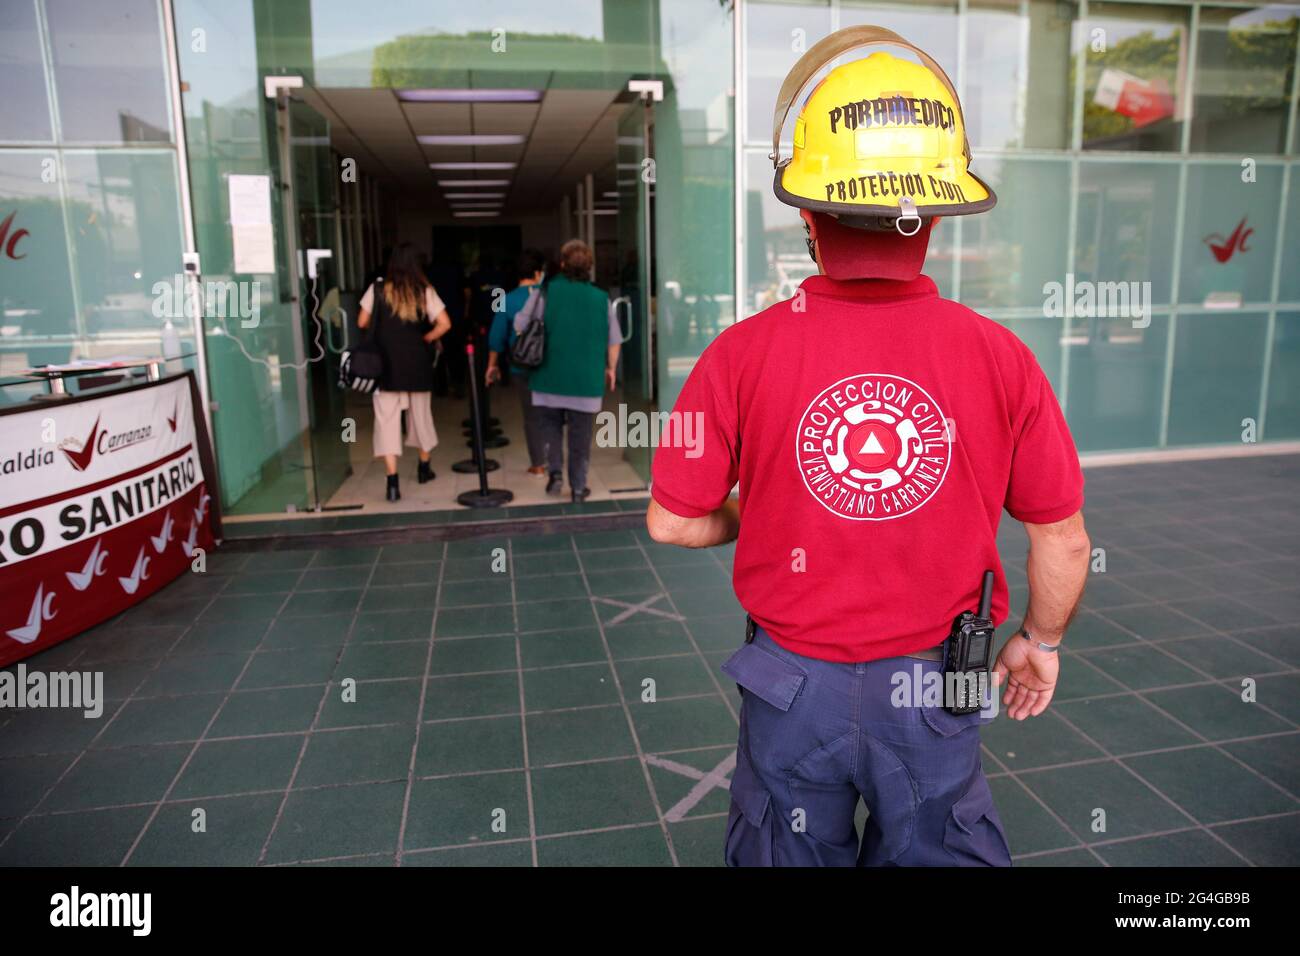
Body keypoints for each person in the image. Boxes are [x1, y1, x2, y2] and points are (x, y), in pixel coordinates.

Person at [645, 26, 1091, 867]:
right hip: (940, 683)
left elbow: (673, 521)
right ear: (937, 215)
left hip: (791, 687)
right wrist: (1040, 643)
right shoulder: (1002, 358)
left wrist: (755, 510)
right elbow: (1061, 538)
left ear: (808, 215)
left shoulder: (742, 353)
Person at [527, 239, 621, 502]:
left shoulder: (545, 292)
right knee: (580, 437)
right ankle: (578, 488)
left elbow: (522, 323)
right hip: (586, 381)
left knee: (550, 429)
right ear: (589, 267)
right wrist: (611, 369)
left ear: (563, 264)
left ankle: (555, 476)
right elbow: (614, 341)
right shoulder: (601, 299)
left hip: (548, 376)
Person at [357, 243, 452, 502]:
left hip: (384, 367)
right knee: (420, 417)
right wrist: (426, 338)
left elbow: (362, 322)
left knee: (386, 422)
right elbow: (445, 323)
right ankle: (423, 469)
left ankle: (392, 483)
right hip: (417, 364)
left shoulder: (377, 289)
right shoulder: (424, 291)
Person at [486, 249, 548, 476]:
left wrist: (492, 364)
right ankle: (555, 460)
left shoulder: (504, 299)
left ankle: (539, 464)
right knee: (551, 413)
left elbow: (495, 336)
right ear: (537, 273)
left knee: (531, 415)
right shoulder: (550, 296)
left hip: (520, 366)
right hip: (549, 363)